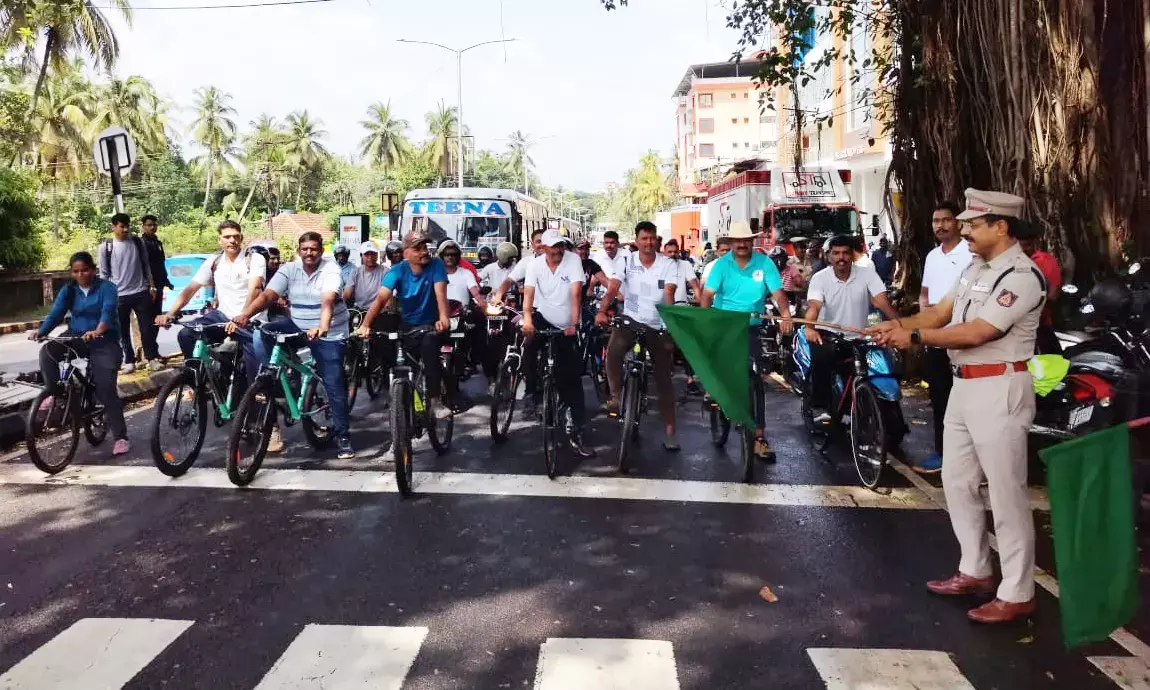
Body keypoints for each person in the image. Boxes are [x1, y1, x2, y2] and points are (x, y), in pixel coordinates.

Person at [868, 189, 1045, 625]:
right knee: (958, 480)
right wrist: (898, 325)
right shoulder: (975, 267)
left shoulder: (1021, 276)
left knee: (1005, 493)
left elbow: (977, 332)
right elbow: (941, 313)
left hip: (1000, 387)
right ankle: (976, 569)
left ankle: (1018, 591)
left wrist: (911, 338)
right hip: (964, 387)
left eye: (974, 224)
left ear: (1000, 227)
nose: (964, 230)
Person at [233, 231, 355, 460]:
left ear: (321, 250)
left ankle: (343, 437)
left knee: (333, 382)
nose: (309, 253)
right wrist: (245, 315)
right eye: (305, 249)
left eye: (314, 249)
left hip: (329, 332)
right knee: (262, 333)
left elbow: (328, 299)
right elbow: (269, 295)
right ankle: (276, 379)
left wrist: (323, 326)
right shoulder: (290, 269)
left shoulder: (331, 270)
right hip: (298, 326)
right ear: (299, 250)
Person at [700, 220, 794, 459]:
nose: (741, 244)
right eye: (737, 241)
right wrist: (707, 318)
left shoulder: (765, 263)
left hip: (751, 326)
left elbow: (778, 293)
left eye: (746, 240)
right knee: (720, 365)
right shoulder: (721, 265)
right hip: (724, 325)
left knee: (756, 379)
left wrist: (786, 315)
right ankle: (716, 390)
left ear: (752, 241)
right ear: (731, 243)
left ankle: (760, 436)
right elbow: (707, 295)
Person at [32, 251, 130, 456]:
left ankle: (120, 437)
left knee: (105, 389)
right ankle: (56, 393)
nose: (81, 274)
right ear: (72, 272)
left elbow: (108, 311)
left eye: (85, 270)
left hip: (104, 341)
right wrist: (41, 332)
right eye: (76, 271)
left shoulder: (107, 288)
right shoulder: (69, 290)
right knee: (48, 351)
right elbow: (56, 313)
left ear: (93, 269)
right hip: (76, 337)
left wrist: (99, 330)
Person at [155, 220, 263, 405]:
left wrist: (242, 316)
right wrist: (170, 313)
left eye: (236, 236)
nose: (232, 240)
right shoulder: (214, 261)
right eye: (227, 237)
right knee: (186, 334)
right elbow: (190, 289)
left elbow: (254, 290)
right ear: (220, 240)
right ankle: (199, 381)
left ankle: (259, 402)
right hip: (222, 316)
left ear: (241, 238)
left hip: (249, 318)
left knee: (256, 375)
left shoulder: (254, 259)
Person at [596, 222, 680, 450]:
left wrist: (671, 325)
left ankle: (671, 430)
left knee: (664, 379)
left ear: (657, 240)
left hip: (658, 323)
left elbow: (669, 294)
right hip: (631, 320)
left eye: (652, 238)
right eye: (644, 238)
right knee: (612, 352)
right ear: (636, 240)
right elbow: (613, 286)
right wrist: (603, 310)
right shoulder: (627, 261)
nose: (648, 242)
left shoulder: (668, 264)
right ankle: (615, 396)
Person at [803, 235, 901, 423]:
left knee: (873, 366)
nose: (841, 257)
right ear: (829, 256)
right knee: (822, 359)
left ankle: (860, 409)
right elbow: (814, 306)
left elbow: (882, 303)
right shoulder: (820, 278)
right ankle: (821, 406)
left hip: (858, 335)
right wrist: (810, 328)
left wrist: (900, 326)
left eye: (845, 253)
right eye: (836, 253)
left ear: (852, 256)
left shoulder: (867, 275)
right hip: (828, 334)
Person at [357, 232, 452, 423]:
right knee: (384, 338)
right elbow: (381, 299)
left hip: (431, 325)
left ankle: (435, 401)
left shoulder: (436, 265)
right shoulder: (397, 271)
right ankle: (389, 387)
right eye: (418, 249)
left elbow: (441, 294)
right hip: (407, 325)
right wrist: (365, 325)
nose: (424, 252)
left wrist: (443, 317)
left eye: (425, 247)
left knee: (430, 348)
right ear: (406, 253)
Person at [522, 230, 595, 457]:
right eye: (553, 247)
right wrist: (526, 319)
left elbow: (576, 295)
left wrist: (573, 324)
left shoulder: (572, 260)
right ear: (543, 248)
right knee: (529, 344)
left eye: (561, 246)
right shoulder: (534, 266)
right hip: (543, 317)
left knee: (571, 379)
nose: (558, 251)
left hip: (567, 322)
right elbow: (528, 295)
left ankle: (577, 430)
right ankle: (531, 393)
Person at [916, 200, 975, 474]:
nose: (940, 225)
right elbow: (925, 294)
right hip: (937, 338)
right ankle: (943, 454)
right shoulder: (932, 256)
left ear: (958, 223)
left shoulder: (970, 253)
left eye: (945, 220)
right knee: (940, 398)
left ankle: (975, 463)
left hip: (965, 339)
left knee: (970, 401)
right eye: (935, 221)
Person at [99, 213, 160, 374]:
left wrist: (151, 286)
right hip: (118, 296)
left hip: (140, 292)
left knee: (147, 328)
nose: (126, 229)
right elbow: (104, 274)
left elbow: (146, 266)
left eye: (127, 226)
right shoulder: (106, 247)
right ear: (113, 227)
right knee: (122, 331)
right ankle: (129, 361)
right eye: (121, 226)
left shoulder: (138, 243)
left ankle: (152, 358)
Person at [1019, 236, 1062, 354]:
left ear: (1033, 243)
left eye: (1026, 245)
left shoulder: (1044, 260)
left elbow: (1054, 291)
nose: (1023, 249)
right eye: (1020, 245)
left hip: (1039, 322)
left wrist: (1040, 313)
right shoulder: (1013, 261)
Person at [140, 215, 173, 338]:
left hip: (159, 284)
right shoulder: (140, 244)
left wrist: (166, 280)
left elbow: (161, 263)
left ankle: (154, 348)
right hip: (147, 286)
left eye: (154, 224)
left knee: (157, 317)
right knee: (147, 319)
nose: (152, 227)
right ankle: (150, 351)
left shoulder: (158, 243)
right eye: (149, 225)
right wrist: (148, 284)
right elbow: (143, 266)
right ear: (143, 227)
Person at [344, 241, 389, 310]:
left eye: (373, 254)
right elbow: (347, 294)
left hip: (379, 311)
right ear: (361, 256)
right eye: (367, 254)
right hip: (359, 310)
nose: (370, 257)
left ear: (377, 255)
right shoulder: (355, 272)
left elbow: (388, 296)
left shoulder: (385, 271)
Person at [662, 238, 700, 305]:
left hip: (680, 306)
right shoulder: (658, 266)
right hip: (663, 306)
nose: (673, 254)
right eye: (670, 252)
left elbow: (695, 286)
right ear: (664, 253)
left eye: (675, 252)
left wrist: (698, 300)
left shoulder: (685, 264)